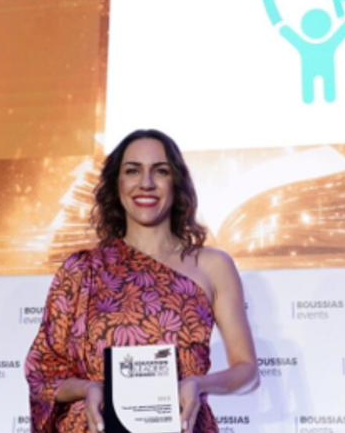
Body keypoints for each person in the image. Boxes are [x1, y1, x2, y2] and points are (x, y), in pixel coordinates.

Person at [26, 129, 259, 433]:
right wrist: (88, 388)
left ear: (176, 182)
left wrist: (198, 384)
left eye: (160, 171)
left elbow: (247, 371)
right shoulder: (81, 270)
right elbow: (43, 373)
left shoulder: (213, 265)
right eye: (132, 170)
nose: (146, 183)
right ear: (116, 183)